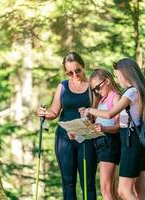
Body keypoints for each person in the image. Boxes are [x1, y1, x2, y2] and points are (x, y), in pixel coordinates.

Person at [83, 58, 145, 200]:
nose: (118, 80)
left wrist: (90, 110)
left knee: (124, 191)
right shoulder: (142, 91)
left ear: (127, 73)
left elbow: (110, 113)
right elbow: (123, 123)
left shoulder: (131, 92)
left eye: (118, 76)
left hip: (131, 143)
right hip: (140, 143)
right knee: (140, 191)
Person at [37, 52, 98, 199]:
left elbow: (97, 114)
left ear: (83, 66)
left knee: (88, 183)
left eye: (77, 70)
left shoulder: (93, 86)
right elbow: (54, 112)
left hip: (86, 138)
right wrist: (43, 113)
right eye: (69, 72)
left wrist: (89, 116)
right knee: (68, 183)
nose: (74, 75)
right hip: (64, 139)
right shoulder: (63, 86)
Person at [79, 68, 122, 200]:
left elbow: (121, 126)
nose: (97, 91)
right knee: (109, 189)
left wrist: (105, 129)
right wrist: (79, 132)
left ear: (107, 81)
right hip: (100, 143)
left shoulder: (116, 98)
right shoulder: (101, 101)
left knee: (106, 189)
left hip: (110, 142)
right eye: (94, 90)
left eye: (98, 87)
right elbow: (96, 126)